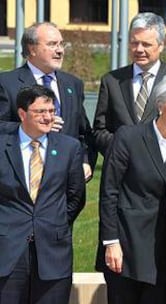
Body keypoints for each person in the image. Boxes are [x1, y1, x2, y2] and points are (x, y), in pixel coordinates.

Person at [95, 72, 166, 304]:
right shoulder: (128, 137)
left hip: (164, 249)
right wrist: (110, 242)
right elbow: (109, 192)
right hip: (126, 247)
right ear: (161, 104)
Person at [0, 85, 85, 303]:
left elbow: (76, 196)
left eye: (51, 111)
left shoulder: (69, 148)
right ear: (22, 114)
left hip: (53, 252)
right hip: (8, 251)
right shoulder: (3, 147)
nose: (48, 117)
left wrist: (55, 222)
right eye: (40, 112)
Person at [0, 22, 95, 181]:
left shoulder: (73, 84)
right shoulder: (7, 84)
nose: (59, 50)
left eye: (61, 44)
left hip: (63, 184)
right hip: (21, 180)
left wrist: (85, 161)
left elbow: (82, 132)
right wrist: (31, 126)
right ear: (32, 49)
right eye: (52, 44)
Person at [93, 12, 166, 156]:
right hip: (122, 171)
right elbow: (100, 130)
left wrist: (163, 150)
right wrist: (124, 149)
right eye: (134, 43)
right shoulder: (112, 81)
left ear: (161, 46)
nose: (139, 49)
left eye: (146, 44)